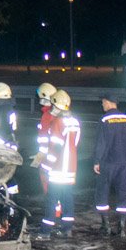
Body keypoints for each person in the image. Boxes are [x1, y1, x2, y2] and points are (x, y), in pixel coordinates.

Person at [92, 93, 126, 238]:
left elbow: (101, 144)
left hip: (107, 163)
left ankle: (105, 225)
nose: (102, 105)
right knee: (123, 194)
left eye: (103, 103)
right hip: (124, 163)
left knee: (102, 193)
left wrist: (96, 161)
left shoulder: (104, 119)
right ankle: (121, 227)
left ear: (108, 103)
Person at [39, 89, 81, 238]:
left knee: (52, 199)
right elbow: (75, 143)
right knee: (67, 199)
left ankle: (45, 231)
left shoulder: (57, 122)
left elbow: (55, 148)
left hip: (57, 169)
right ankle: (67, 229)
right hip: (70, 168)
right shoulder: (75, 122)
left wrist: (46, 166)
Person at [32, 82, 57, 193]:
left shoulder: (47, 115)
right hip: (57, 154)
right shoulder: (58, 112)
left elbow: (44, 136)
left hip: (48, 156)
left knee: (47, 182)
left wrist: (41, 154)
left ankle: (53, 207)